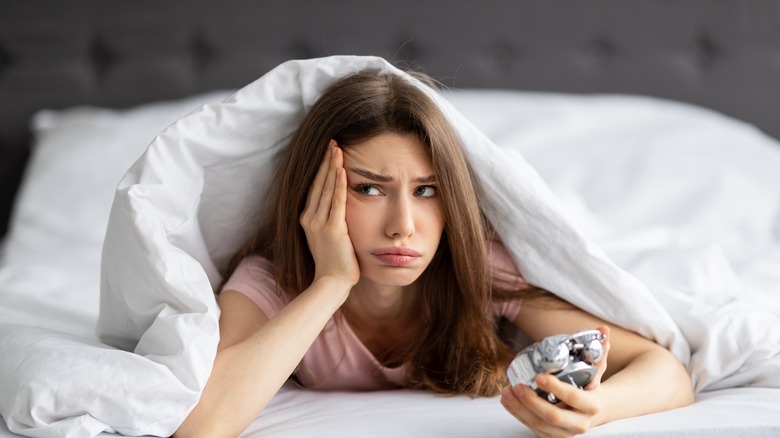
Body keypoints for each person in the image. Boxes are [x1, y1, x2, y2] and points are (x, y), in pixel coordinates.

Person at [175, 70, 693, 438]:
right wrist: (330, 283)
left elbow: (665, 370)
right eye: (369, 189)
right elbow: (202, 424)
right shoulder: (273, 282)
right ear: (316, 193)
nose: (403, 227)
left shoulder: (477, 270)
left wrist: (595, 408)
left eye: (427, 191)